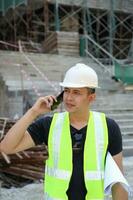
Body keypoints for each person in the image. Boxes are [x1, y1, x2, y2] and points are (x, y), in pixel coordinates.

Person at [0, 63, 128, 200]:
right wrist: (33, 112)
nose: (68, 98)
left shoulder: (108, 127)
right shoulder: (49, 125)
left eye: (76, 92)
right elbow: (6, 147)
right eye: (67, 90)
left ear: (91, 98)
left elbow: (118, 181)